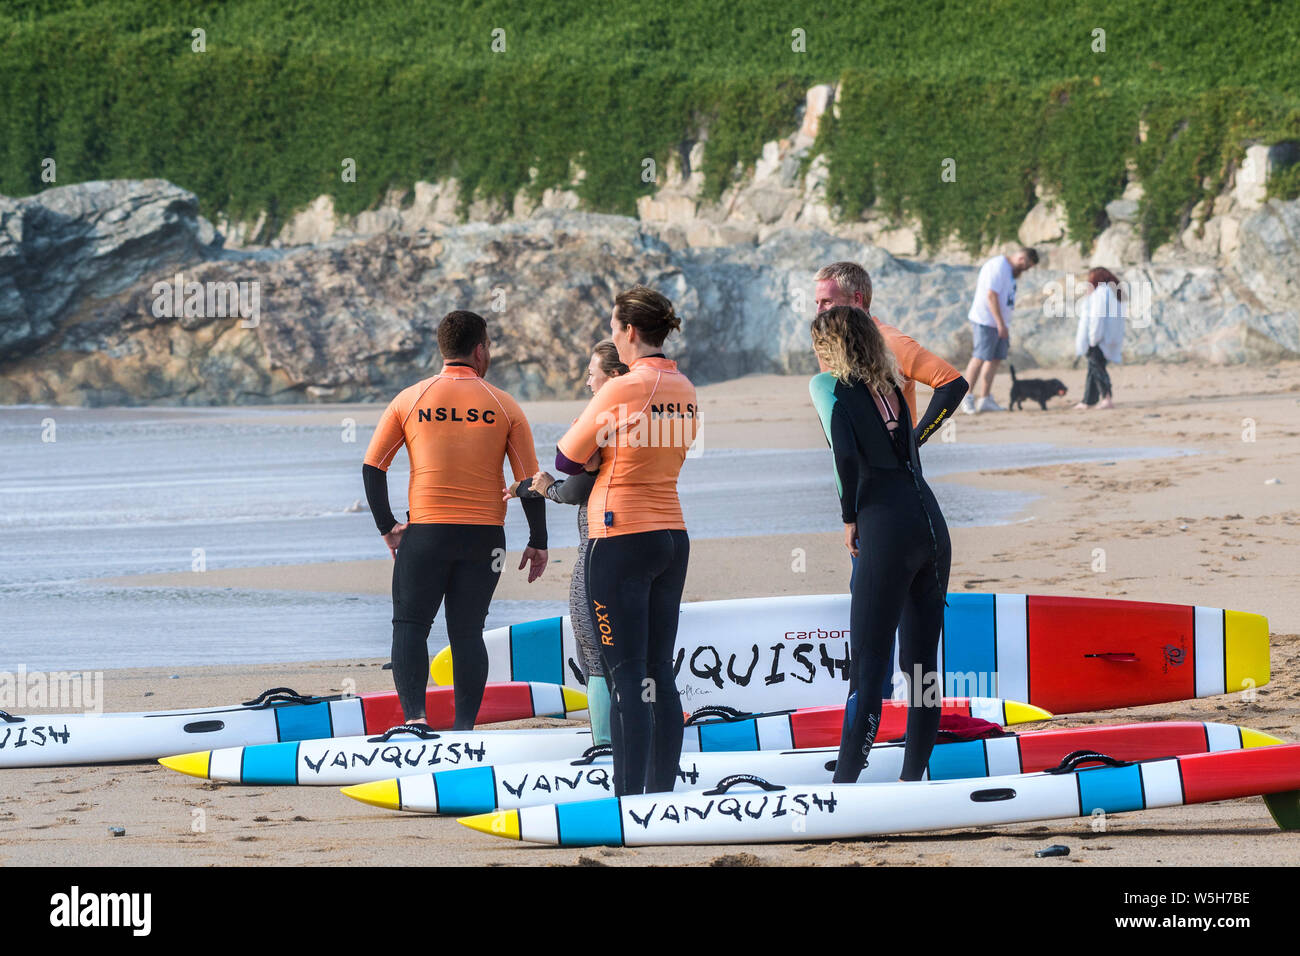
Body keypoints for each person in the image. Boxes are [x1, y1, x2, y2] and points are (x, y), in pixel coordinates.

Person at [362, 310, 548, 731]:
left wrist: (388, 527)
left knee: (410, 625)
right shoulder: (504, 404)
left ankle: (416, 720)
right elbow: (529, 481)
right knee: (467, 631)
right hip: (486, 539)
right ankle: (464, 728)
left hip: (427, 534)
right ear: (480, 349)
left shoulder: (410, 399)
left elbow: (373, 467)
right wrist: (538, 539)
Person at [554, 286, 698, 796]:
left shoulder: (622, 389)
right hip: (672, 537)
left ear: (630, 333)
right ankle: (660, 793)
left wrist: (601, 448)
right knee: (660, 672)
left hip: (618, 540)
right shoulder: (684, 385)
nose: (613, 334)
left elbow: (567, 461)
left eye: (614, 328)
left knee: (626, 678)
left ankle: (627, 799)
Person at [809, 305, 952, 783]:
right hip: (928, 523)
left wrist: (849, 517)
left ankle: (845, 782)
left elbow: (847, 459)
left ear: (831, 348)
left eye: (818, 345)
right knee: (922, 666)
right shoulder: (892, 387)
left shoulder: (840, 394)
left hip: (885, 527)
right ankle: (913, 778)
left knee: (869, 665)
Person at [505, 341, 629, 748]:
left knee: (594, 651)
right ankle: (640, 736)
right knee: (635, 653)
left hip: (600, 548)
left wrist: (546, 488)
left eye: (592, 372)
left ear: (612, 377)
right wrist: (528, 487)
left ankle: (605, 746)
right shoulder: (650, 414)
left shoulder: (603, 416)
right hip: (651, 536)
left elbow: (575, 485)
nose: (587, 379)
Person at [813, 261, 968, 445]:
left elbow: (953, 384)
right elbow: (830, 408)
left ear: (857, 299)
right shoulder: (827, 347)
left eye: (827, 302)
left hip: (896, 465)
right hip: (853, 465)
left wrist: (917, 438)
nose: (819, 311)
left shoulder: (890, 341)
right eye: (817, 303)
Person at [960, 246, 1038, 414]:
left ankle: (985, 398)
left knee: (994, 360)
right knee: (979, 358)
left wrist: (1004, 324)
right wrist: (1000, 323)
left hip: (1000, 323)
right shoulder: (998, 266)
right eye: (1027, 266)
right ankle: (967, 397)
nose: (1026, 270)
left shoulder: (1009, 271)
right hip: (986, 321)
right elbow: (991, 295)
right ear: (1022, 259)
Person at [1074, 267, 1125, 410]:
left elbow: (1097, 318)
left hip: (1099, 339)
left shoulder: (1101, 293)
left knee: (1098, 368)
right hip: (1110, 338)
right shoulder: (1115, 293)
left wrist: (1092, 339)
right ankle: (1088, 400)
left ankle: (1107, 398)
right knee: (1093, 368)